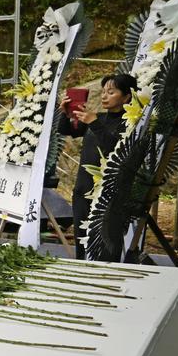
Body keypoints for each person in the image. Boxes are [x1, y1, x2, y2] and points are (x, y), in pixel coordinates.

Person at [58, 74, 136, 260]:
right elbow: (67, 131)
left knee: (105, 242)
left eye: (111, 92)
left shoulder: (130, 123)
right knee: (81, 238)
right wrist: (64, 113)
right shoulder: (98, 118)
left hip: (108, 193)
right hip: (83, 189)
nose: (104, 96)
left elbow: (114, 149)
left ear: (126, 97)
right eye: (102, 92)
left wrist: (94, 122)